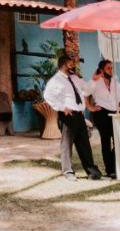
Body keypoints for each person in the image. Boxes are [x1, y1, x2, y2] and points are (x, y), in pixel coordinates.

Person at [43, 52, 102, 180]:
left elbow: (86, 89)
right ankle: (68, 172)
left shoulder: (75, 78)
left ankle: (91, 171)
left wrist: (94, 79)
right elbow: (48, 96)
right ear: (63, 65)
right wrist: (61, 107)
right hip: (67, 116)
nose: (73, 67)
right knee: (66, 144)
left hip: (79, 115)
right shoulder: (55, 80)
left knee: (84, 144)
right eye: (71, 64)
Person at [86, 58, 120, 179]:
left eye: (112, 68)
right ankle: (110, 170)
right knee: (106, 142)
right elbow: (84, 93)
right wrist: (90, 107)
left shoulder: (115, 82)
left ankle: (117, 166)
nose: (111, 70)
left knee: (118, 141)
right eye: (108, 68)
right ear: (102, 70)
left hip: (115, 114)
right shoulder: (95, 82)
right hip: (101, 113)